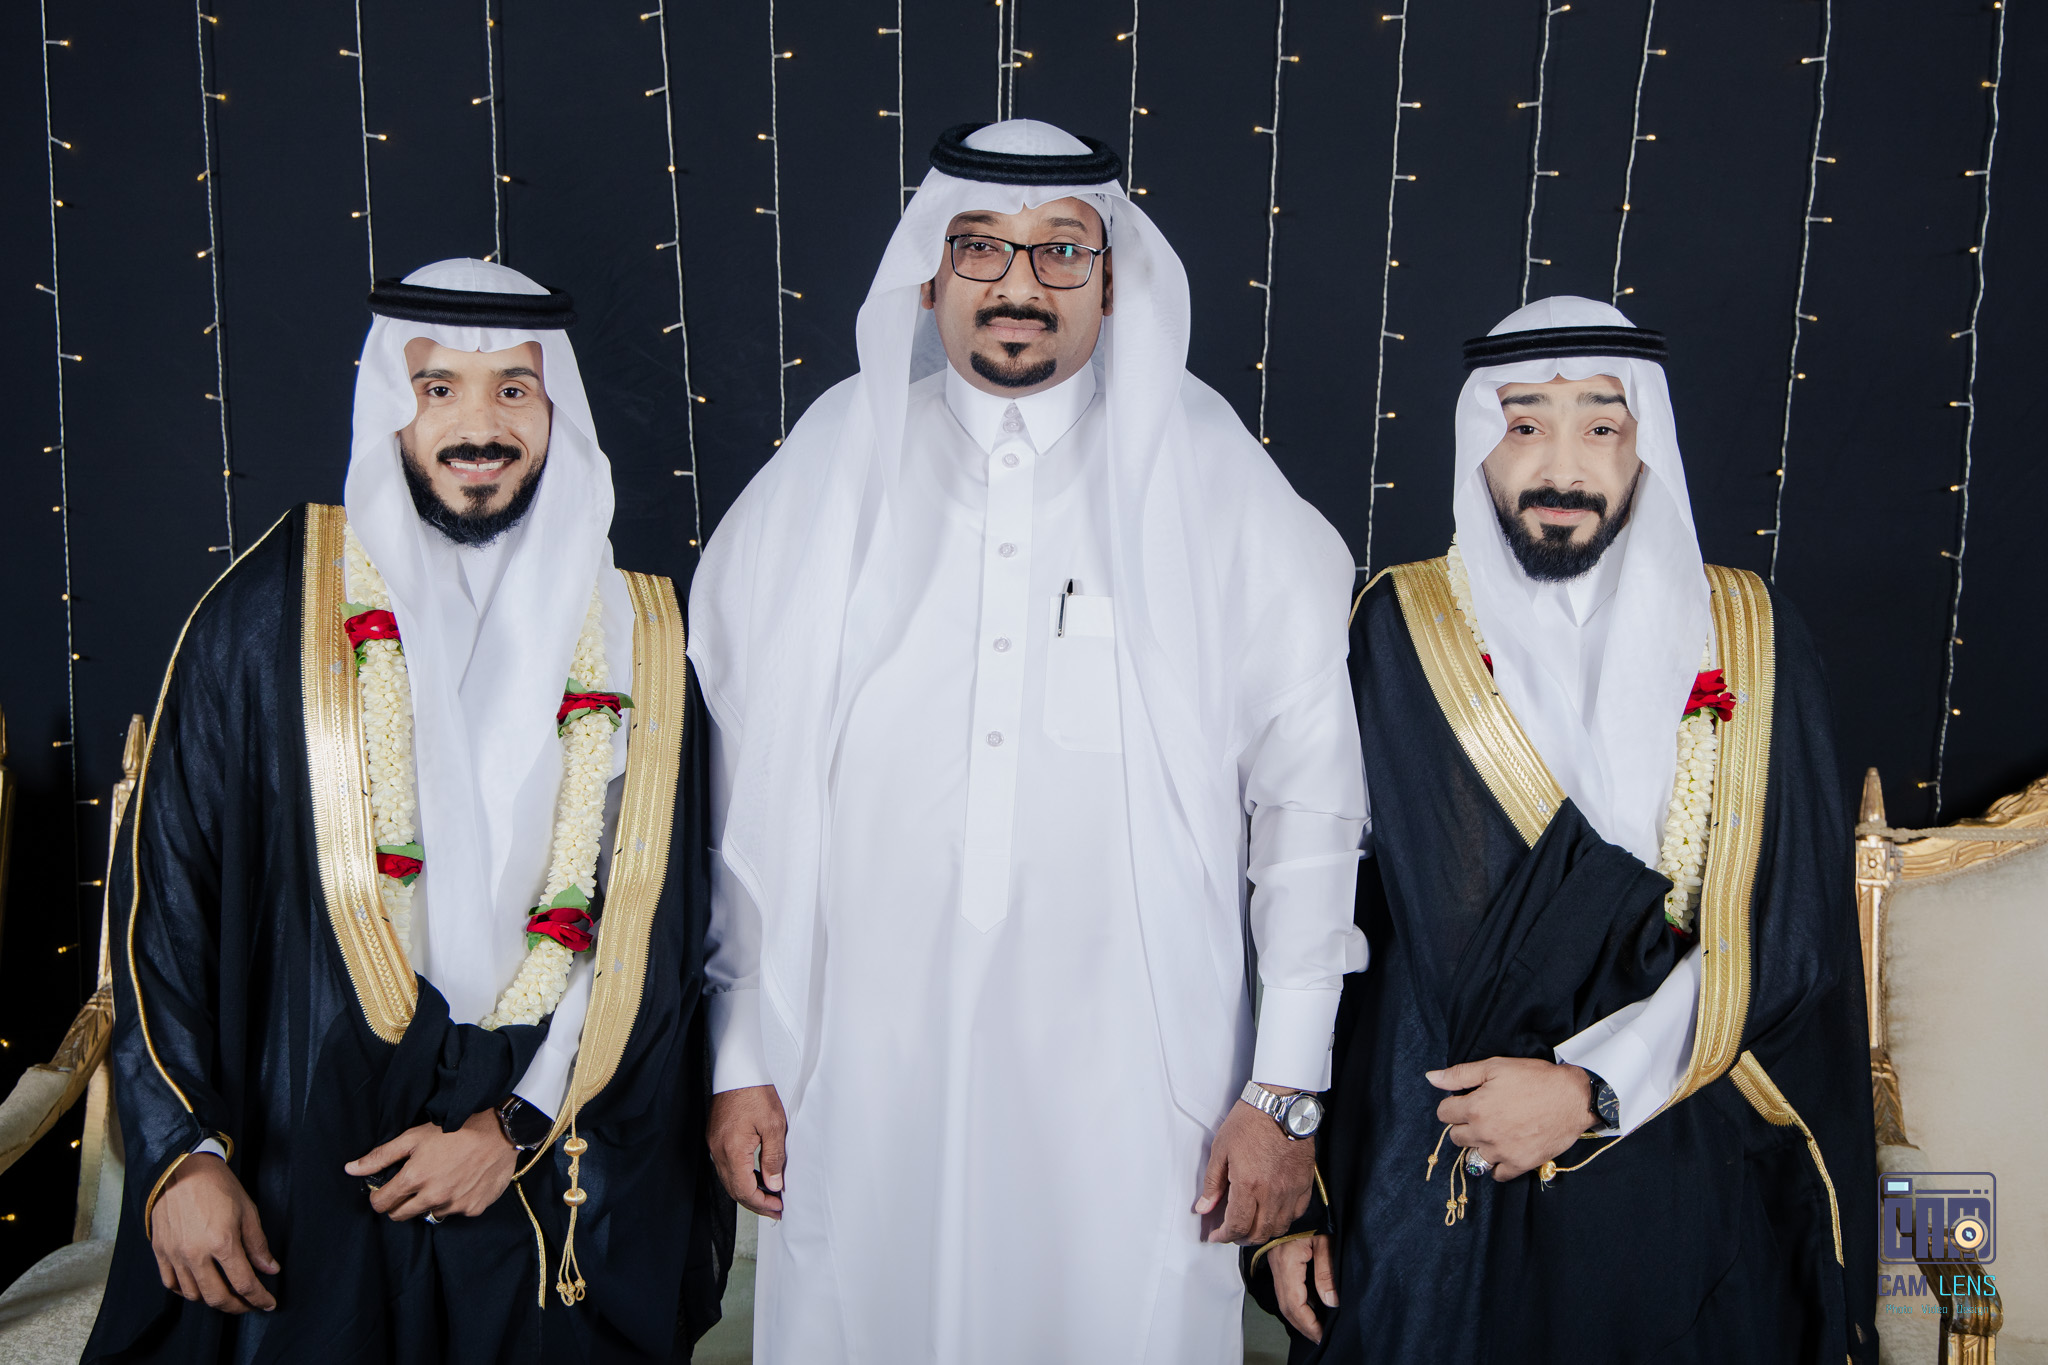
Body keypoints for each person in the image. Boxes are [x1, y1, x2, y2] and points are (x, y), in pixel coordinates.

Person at [689, 120, 1367, 1363]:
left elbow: (1309, 808)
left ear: (1112, 280)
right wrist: (738, 1058)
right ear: (927, 276)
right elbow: (737, 795)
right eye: (978, 247)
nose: (1018, 284)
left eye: (1061, 250)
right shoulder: (834, 464)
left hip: (1142, 1093)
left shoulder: (1211, 477)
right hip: (860, 1075)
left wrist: (1283, 1090)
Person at [86, 259, 726, 1364]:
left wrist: (514, 1124)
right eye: (439, 389)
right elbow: (166, 905)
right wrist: (182, 1153)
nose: (479, 427)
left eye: (513, 389)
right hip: (309, 1158)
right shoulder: (268, 614)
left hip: (542, 1161)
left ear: (556, 411)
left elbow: (649, 934)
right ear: (392, 402)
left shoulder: (644, 640)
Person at [1254, 297, 1878, 1363]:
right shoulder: (1400, 626)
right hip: (1436, 1140)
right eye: (1524, 424)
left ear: (1643, 445)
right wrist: (1302, 1193)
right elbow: (1334, 920)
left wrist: (1592, 1090)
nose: (1561, 466)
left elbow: (1787, 930)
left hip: (1681, 1127)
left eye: (1600, 425)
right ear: (1479, 443)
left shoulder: (1748, 631)